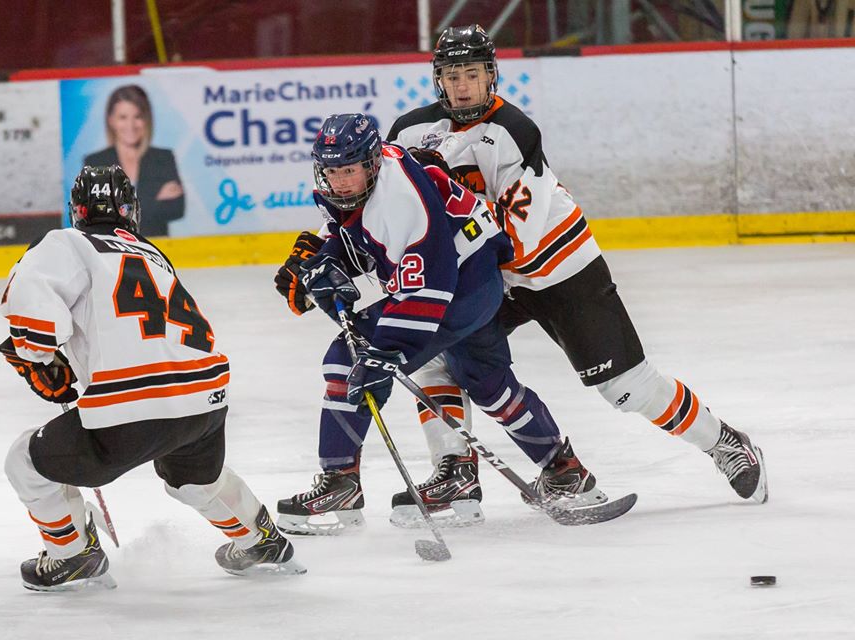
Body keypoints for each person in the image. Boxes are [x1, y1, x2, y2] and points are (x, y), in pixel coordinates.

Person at [275, 25, 768, 525]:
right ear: (437, 80)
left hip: (555, 268)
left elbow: (514, 228)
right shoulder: (408, 130)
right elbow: (374, 196)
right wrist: (320, 244)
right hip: (483, 272)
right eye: (451, 75)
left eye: (471, 74)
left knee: (626, 387)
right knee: (437, 363)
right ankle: (456, 472)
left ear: (490, 75)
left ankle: (724, 442)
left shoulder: (514, 129)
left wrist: (442, 237)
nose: (462, 86)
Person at [275, 113, 611, 535]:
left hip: (459, 288)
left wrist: (386, 349)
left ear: (371, 163)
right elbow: (358, 237)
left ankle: (340, 482)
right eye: (332, 171)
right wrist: (320, 262)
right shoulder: (364, 186)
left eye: (349, 170)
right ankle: (565, 471)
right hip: (474, 273)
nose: (340, 181)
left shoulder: (399, 197)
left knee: (349, 360)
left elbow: (428, 287)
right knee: (487, 380)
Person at [1, 165, 304, 591]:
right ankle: (259, 539)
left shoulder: (66, 241)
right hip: (205, 399)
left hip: (130, 411)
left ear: (77, 211)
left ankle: (72, 553)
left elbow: (32, 323)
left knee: (24, 461)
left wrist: (35, 356)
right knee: (194, 480)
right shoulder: (152, 254)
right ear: (132, 211)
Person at [84, 85, 185, 236]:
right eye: (123, 117)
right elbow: (98, 215)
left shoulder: (163, 158)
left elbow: (177, 209)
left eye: (137, 117)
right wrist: (153, 201)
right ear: (111, 121)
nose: (130, 125)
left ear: (146, 119)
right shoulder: (96, 162)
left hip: (154, 248)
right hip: (112, 249)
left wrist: (121, 207)